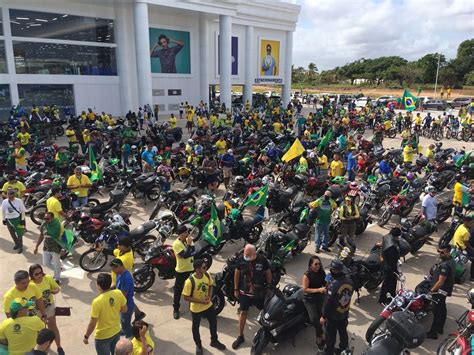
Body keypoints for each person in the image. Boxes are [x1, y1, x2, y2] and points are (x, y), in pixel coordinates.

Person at [232, 244, 272, 350]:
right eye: (245, 253)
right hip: (244, 293)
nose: (246, 256)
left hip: (258, 293)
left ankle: (265, 336)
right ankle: (240, 336)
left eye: (248, 254)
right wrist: (235, 289)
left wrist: (268, 286)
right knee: (243, 312)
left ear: (255, 254)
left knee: (265, 313)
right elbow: (237, 273)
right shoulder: (241, 259)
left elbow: (268, 273)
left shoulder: (262, 260)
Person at [182, 259, 226, 354]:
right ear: (197, 269)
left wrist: (209, 296)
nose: (206, 268)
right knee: (196, 327)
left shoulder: (206, 275)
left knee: (213, 322)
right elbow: (186, 297)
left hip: (208, 306)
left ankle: (214, 341)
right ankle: (198, 344)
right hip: (196, 309)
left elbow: (210, 286)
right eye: (204, 267)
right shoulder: (189, 282)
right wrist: (200, 301)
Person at [83, 273, 128, 355]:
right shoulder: (118, 293)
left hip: (102, 337)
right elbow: (125, 309)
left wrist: (86, 337)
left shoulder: (97, 302)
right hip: (116, 331)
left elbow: (92, 324)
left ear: (98, 286)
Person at [28, 264, 64, 355]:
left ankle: (59, 347)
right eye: (36, 274)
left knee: (53, 328)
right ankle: (42, 350)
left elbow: (56, 288)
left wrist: (54, 291)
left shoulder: (47, 278)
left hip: (49, 307)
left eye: (40, 272)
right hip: (37, 311)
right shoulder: (30, 284)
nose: (39, 275)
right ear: (31, 275)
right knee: (40, 331)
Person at [320, 259, 353, 355]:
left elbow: (327, 303)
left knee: (330, 336)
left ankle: (328, 352)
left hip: (333, 316)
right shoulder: (350, 281)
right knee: (343, 333)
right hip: (344, 313)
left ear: (333, 270)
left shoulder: (333, 285)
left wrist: (323, 316)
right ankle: (344, 350)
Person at [426, 244, 456, 339]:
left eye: (442, 252)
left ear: (448, 252)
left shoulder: (445, 265)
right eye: (439, 251)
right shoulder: (451, 260)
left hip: (440, 290)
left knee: (436, 310)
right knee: (442, 307)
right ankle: (440, 328)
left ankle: (433, 333)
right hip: (445, 290)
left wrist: (431, 291)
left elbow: (440, 282)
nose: (440, 254)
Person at [301, 256, 326, 349]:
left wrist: (327, 285)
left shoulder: (321, 272)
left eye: (319, 264)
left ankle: (319, 335)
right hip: (309, 298)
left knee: (321, 317)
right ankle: (320, 336)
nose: (318, 266)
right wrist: (318, 290)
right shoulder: (307, 275)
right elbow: (305, 289)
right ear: (311, 265)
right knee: (314, 320)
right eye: (315, 264)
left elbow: (325, 282)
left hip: (319, 297)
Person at [172, 224, 196, 320]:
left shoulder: (188, 240)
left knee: (192, 289)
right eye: (185, 232)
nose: (187, 234)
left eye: (187, 232)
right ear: (180, 234)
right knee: (178, 291)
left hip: (190, 268)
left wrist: (189, 247)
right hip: (181, 270)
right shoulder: (176, 244)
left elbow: (194, 251)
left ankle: (193, 306)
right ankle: (176, 309)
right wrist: (189, 245)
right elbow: (184, 255)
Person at [34, 212, 64, 282]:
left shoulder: (57, 225)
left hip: (55, 248)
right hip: (46, 247)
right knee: (46, 263)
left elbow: (59, 238)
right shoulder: (44, 225)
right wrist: (37, 246)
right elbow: (41, 236)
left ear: (52, 218)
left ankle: (57, 278)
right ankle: (58, 269)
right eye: (44, 219)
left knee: (56, 264)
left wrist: (62, 249)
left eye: (47, 219)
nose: (45, 220)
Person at [110, 259, 135, 339]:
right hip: (122, 302)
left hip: (126, 304)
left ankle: (130, 335)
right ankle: (125, 330)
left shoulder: (126, 277)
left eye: (113, 269)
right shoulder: (119, 273)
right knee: (122, 320)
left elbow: (123, 295)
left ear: (119, 267)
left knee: (125, 321)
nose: (113, 271)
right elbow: (117, 286)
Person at [378, 227, 402, 304]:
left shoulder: (386, 236)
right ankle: (384, 299)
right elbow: (392, 261)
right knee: (388, 283)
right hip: (388, 266)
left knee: (392, 281)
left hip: (384, 259)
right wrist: (394, 270)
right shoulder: (393, 247)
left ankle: (392, 295)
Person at [2, 188, 27, 253]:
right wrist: (4, 219)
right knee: (12, 233)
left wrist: (22, 220)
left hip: (17, 220)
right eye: (9, 197)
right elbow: (3, 211)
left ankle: (20, 247)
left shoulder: (19, 201)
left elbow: (23, 211)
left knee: (19, 234)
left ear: (14, 195)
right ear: (7, 195)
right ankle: (16, 244)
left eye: (12, 197)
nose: (10, 198)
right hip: (9, 220)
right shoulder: (4, 201)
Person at [451, 215, 474, 280]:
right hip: (462, 247)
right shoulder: (465, 232)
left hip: (456, 244)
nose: (472, 224)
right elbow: (466, 243)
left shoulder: (461, 226)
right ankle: (472, 277)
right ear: (466, 222)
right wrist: (472, 249)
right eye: (471, 223)